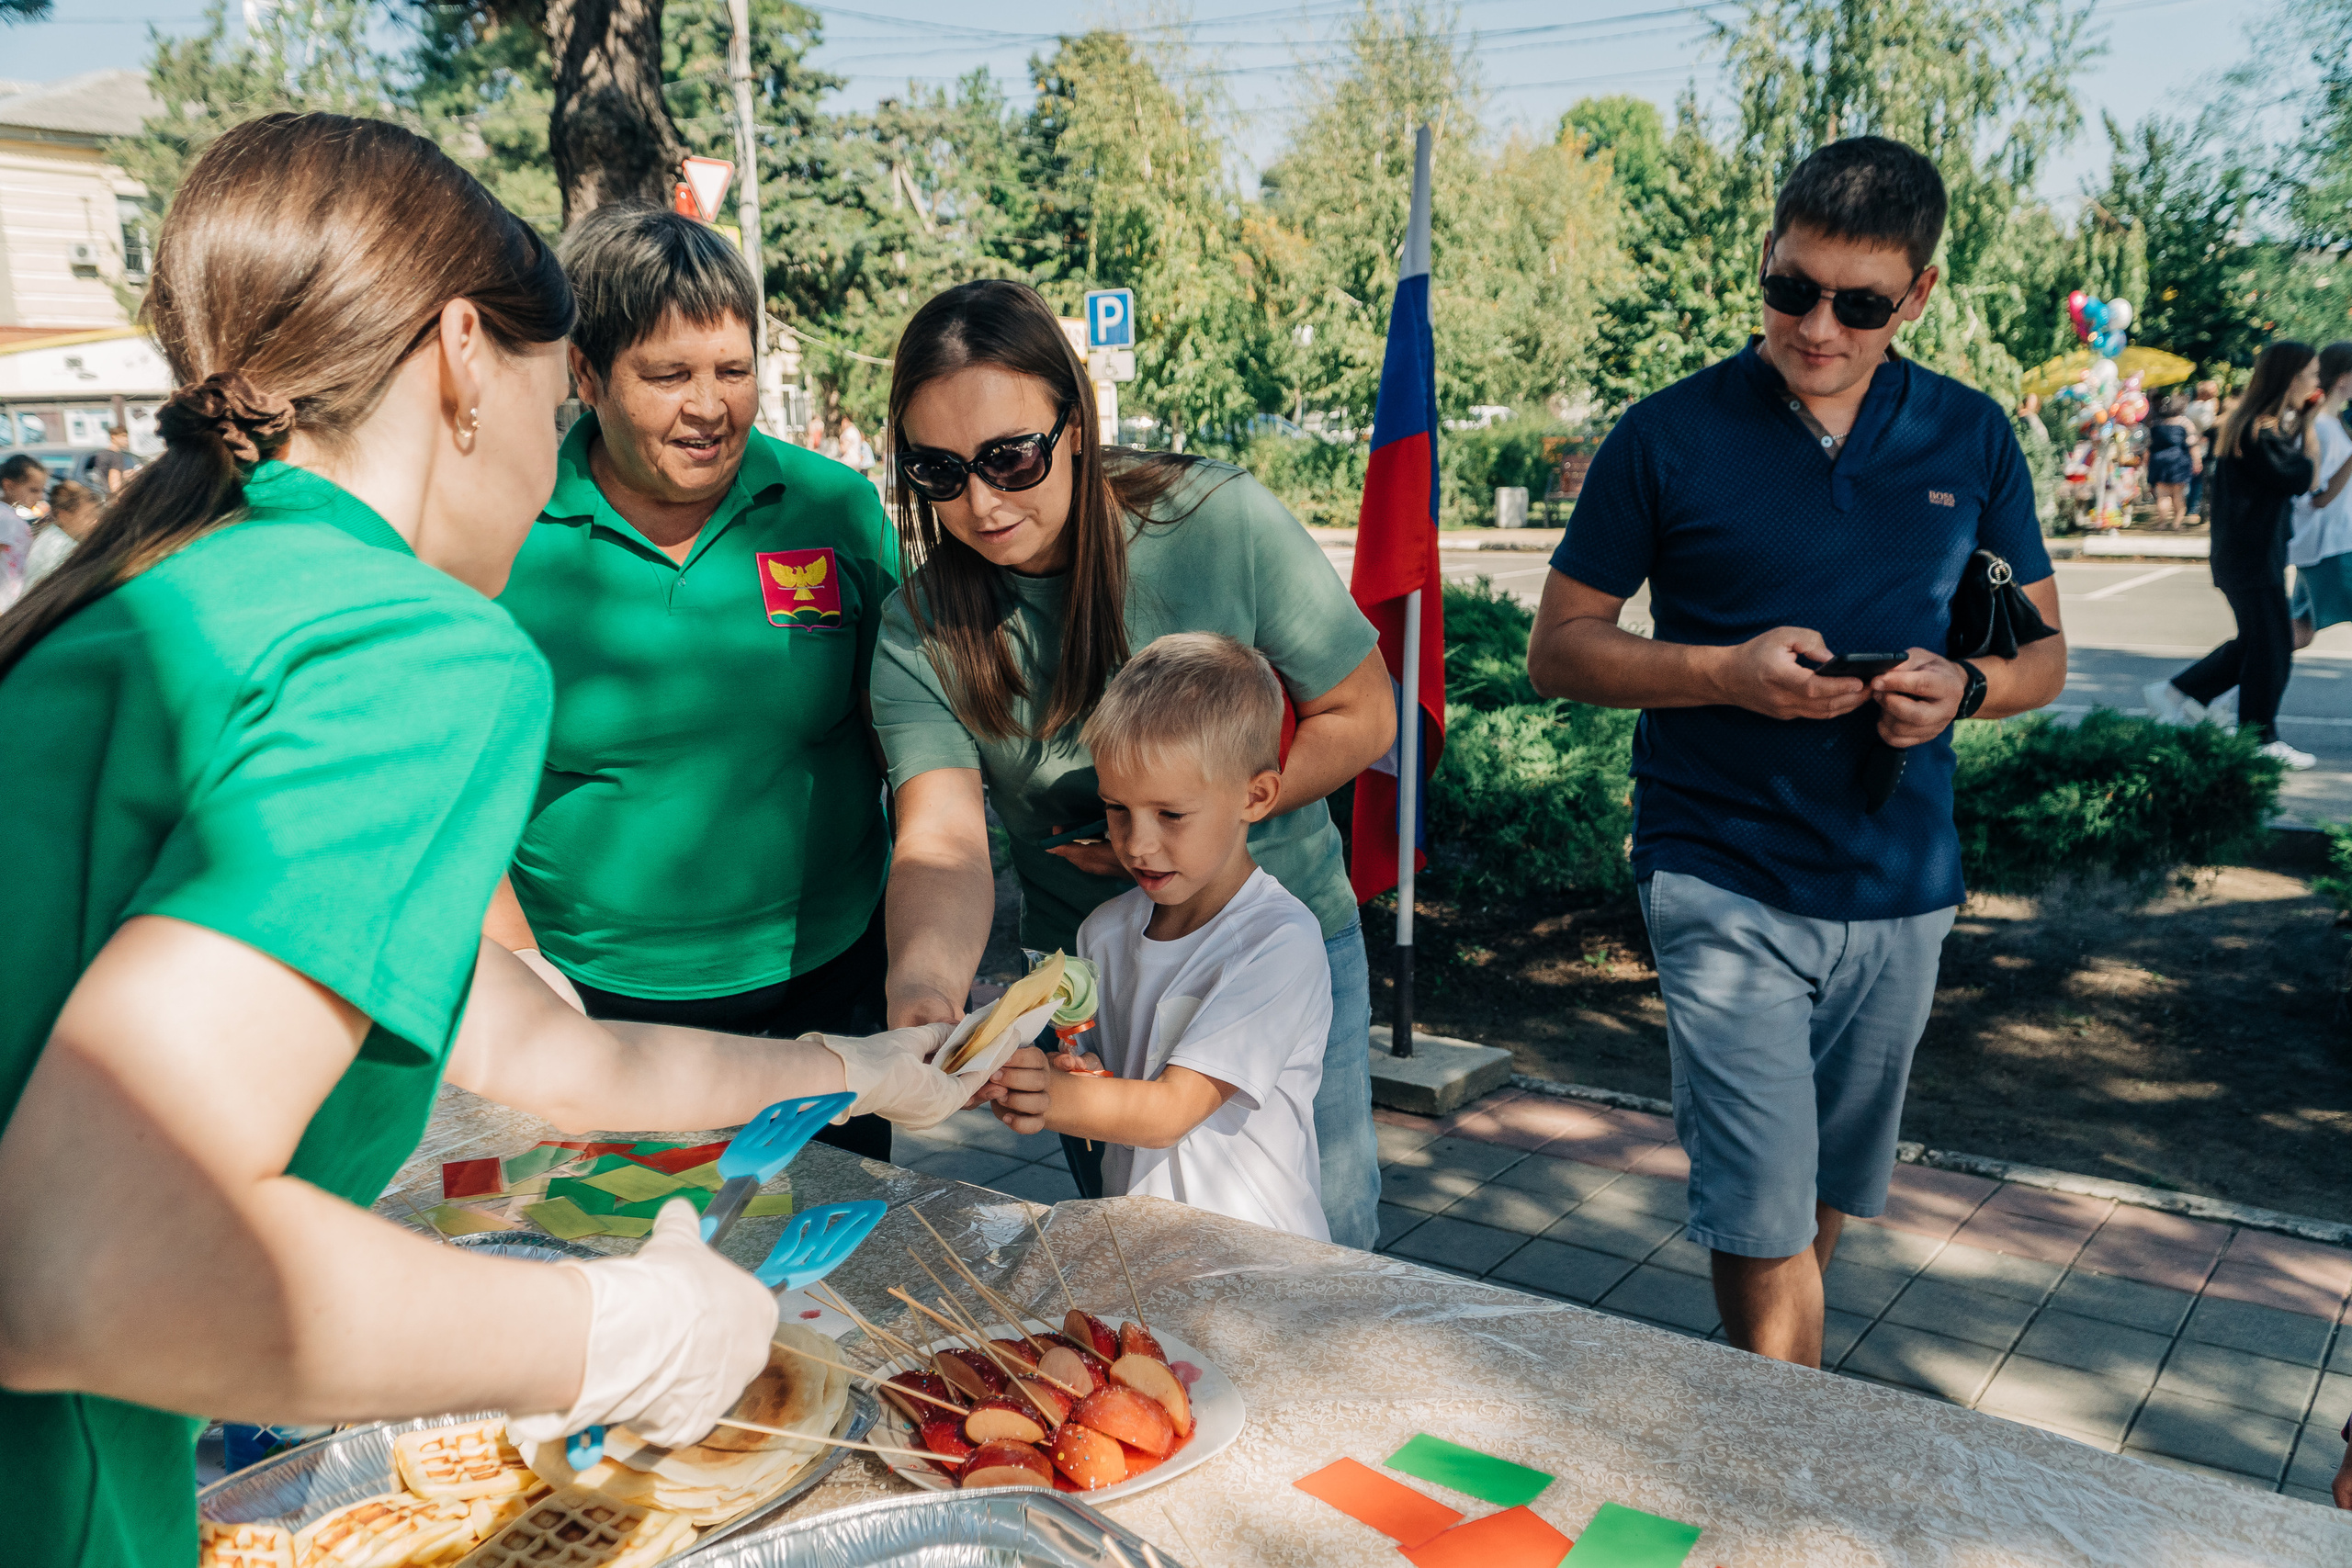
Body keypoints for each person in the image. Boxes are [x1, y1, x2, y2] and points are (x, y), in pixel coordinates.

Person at [0, 113, 979, 1564]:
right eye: (556, 380)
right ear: (467, 353)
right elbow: (91, 1260)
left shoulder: (156, 587)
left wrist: (855, 1065)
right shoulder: (404, 642)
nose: (554, 453)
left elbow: (548, 1048)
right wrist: (606, 1332)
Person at [1524, 137, 2067, 1368]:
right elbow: (1558, 649)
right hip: (1718, 861)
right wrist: (1721, 670)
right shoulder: (1666, 435)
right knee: (1762, 1207)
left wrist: (1966, 685)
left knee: (1816, 1193)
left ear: (1918, 295)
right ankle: (1794, 1479)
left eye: (1859, 302)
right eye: (1792, 288)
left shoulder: (1972, 439)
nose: (1818, 326)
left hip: (1898, 878)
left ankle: (1765, 1421)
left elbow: (2042, 656)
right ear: (1765, 261)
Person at [871, 278, 1396, 1249]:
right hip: (1093, 975)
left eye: (1010, 457)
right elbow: (942, 840)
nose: (982, 503)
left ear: (1074, 423)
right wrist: (924, 991)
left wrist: (1198, 823)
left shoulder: (1215, 522)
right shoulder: (920, 627)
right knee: (1134, 1249)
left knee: (1322, 1260)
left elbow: (1362, 713)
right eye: (939, 474)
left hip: (1272, 940)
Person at [485, 204, 916, 1159]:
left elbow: (919, 726)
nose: (710, 407)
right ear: (585, 375)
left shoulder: (830, 509)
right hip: (602, 1016)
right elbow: (450, 794)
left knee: (826, 1286)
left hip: (829, 991)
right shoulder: (503, 532)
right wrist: (521, 971)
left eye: (732, 371)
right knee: (637, 1283)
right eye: (668, 375)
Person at [989, 633, 1334, 1241]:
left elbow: (1171, 1110)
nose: (1137, 843)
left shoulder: (1279, 941)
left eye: (1170, 814)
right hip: (1144, 1247)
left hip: (1258, 1260)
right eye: (1117, 809)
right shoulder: (1103, 930)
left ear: (1256, 796)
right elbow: (1121, 1084)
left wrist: (1050, 1094)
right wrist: (1078, 1075)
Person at [2144, 341, 2325, 768]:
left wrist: (2299, 421)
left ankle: (2178, 694)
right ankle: (2259, 738)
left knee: (2260, 642)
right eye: (2313, 374)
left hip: (2244, 554)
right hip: (2252, 556)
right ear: (2292, 376)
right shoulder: (2259, 432)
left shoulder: (2251, 427)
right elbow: (2304, 476)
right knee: (2272, 645)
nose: (2316, 382)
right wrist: (2311, 425)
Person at [2288, 343, 2352, 649]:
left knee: (2298, 632)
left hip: (2327, 545)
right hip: (2332, 547)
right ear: (2343, 377)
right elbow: (2318, 496)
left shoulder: (2333, 424)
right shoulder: (2321, 429)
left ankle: (2216, 690)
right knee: (2296, 631)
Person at [24, 479, 98, 589]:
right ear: (63, 516)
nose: (95, 521)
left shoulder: (59, 538)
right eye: (88, 516)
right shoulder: (57, 546)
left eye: (96, 515)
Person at [2144, 393, 2199, 527]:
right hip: (2179, 461)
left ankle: (2161, 523)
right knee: (2178, 494)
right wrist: (2197, 461)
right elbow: (2192, 445)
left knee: (2162, 494)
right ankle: (2177, 523)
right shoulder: (2186, 423)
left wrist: (2146, 464)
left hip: (2159, 461)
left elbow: (2149, 447)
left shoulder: (2156, 424)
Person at [0, 453, 45, 610]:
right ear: (9, 486)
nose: (40, 496)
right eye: (33, 490)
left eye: (41, 490)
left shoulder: (9, 515)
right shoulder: (5, 519)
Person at [2184, 379, 2222, 523]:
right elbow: (2209, 425)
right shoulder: (2202, 407)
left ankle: (2193, 508)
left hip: (2197, 447)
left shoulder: (2192, 406)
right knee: (2201, 480)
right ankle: (2194, 509)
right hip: (2202, 449)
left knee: (2197, 480)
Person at [86, 423, 139, 495]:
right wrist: (117, 498)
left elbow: (105, 474)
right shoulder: (116, 456)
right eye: (123, 436)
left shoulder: (102, 453)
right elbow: (114, 482)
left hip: (102, 494)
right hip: (112, 496)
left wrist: (123, 475)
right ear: (113, 437)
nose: (126, 440)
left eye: (127, 437)